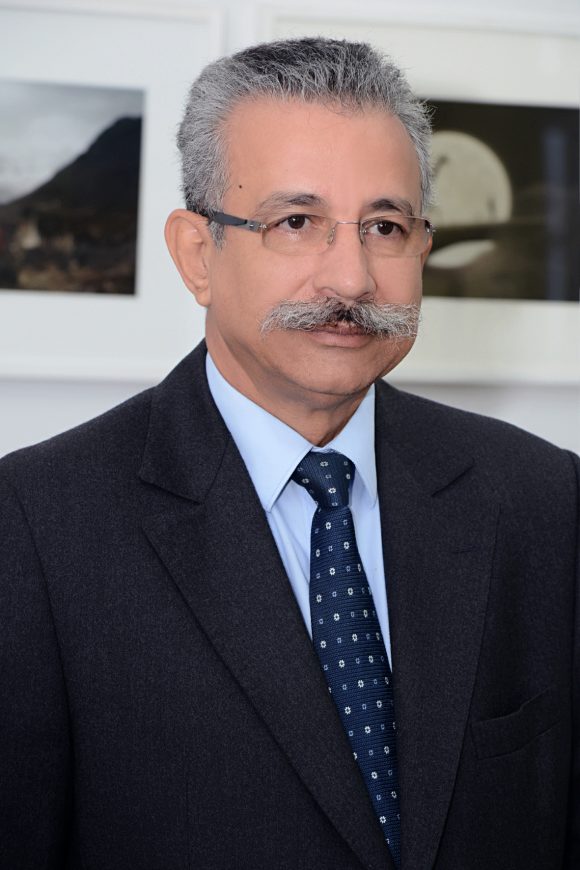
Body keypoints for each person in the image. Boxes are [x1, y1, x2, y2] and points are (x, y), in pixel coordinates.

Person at [0, 37, 578, 870]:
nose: (351, 278)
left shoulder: (543, 497)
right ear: (198, 255)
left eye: (385, 226)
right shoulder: (36, 524)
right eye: (296, 222)